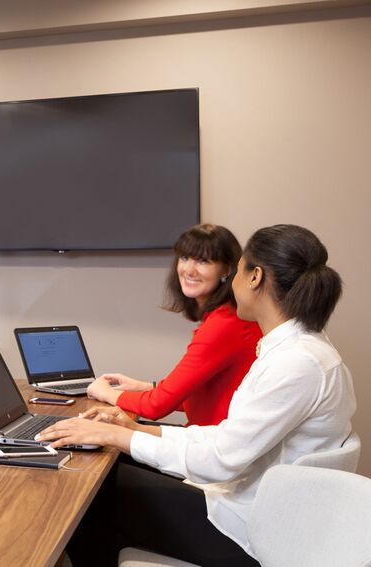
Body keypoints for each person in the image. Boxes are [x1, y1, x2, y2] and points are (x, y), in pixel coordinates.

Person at [39, 224, 354, 566]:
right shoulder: (295, 350)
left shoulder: (296, 363)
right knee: (111, 460)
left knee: (96, 492)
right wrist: (132, 431)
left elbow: (220, 460)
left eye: (237, 268)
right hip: (251, 501)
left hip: (252, 531)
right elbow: (227, 435)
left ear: (255, 277)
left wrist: (118, 433)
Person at [85, 224, 262, 425]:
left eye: (203, 261)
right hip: (207, 439)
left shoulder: (224, 324)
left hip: (209, 446)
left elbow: (156, 407)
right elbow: (199, 397)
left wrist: (105, 392)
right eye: (185, 258)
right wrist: (144, 387)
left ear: (227, 269)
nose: (189, 270)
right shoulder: (226, 316)